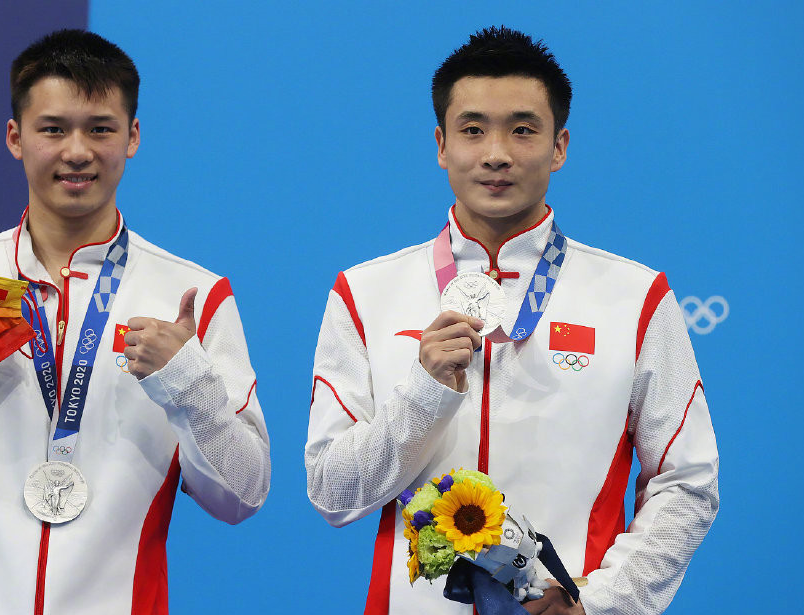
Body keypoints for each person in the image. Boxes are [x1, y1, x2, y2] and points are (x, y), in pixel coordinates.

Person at [305, 26, 718, 614]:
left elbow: (688, 481)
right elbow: (332, 492)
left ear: (559, 146)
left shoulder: (635, 297)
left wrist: (600, 604)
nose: (496, 153)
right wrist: (423, 395)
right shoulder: (366, 293)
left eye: (523, 130)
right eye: (472, 129)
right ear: (441, 145)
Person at [0, 29, 270, 614]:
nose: (77, 151)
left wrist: (188, 382)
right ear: (15, 137)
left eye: (100, 128)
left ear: (132, 137)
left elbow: (243, 495)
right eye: (53, 129)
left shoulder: (193, 296)